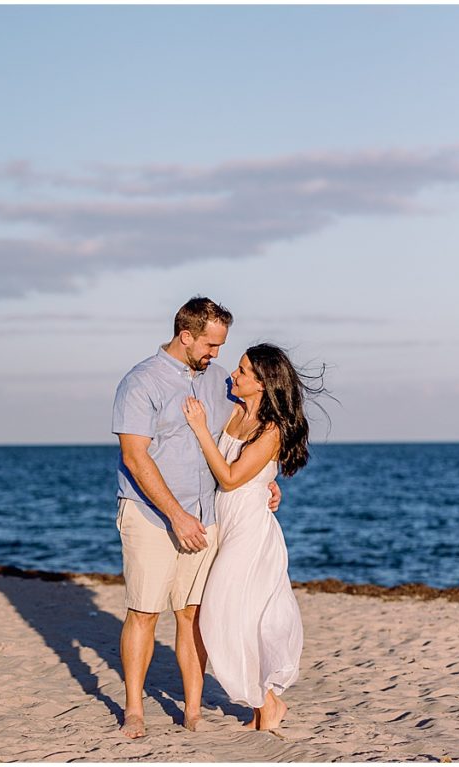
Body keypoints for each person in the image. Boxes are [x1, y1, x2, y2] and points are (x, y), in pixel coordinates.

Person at [112, 297, 281, 738]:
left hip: (208, 517)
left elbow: (246, 434)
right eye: (210, 345)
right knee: (144, 613)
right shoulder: (140, 382)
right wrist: (176, 515)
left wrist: (267, 479)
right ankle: (134, 710)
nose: (216, 355)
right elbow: (134, 455)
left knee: (193, 615)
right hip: (152, 516)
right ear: (186, 336)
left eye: (222, 346)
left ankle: (192, 711)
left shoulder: (219, 382)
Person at [182, 343, 317, 731]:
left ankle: (267, 702)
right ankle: (264, 709)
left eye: (242, 371)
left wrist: (198, 428)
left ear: (261, 383)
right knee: (242, 617)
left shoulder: (271, 430)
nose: (233, 376)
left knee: (230, 613)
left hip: (250, 531)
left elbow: (230, 477)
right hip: (225, 526)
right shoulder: (236, 412)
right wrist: (270, 483)